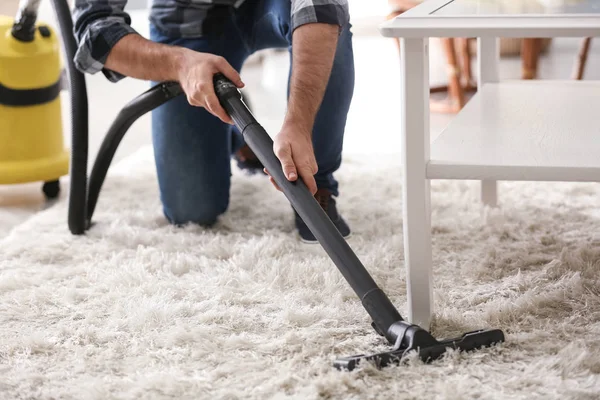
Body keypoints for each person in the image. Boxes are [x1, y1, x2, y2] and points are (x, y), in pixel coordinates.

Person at [72, 0, 355, 243]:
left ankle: (315, 182)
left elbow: (321, 6)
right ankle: (230, 127)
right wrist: (182, 65)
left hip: (277, 5)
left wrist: (299, 124)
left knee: (328, 19)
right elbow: (96, 31)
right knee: (191, 209)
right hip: (187, 20)